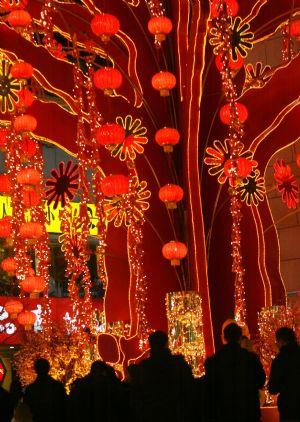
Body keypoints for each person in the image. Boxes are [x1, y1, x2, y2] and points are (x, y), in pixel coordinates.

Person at [205, 322, 266, 422]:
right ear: (240, 337)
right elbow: (261, 381)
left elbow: (210, 389)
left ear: (224, 338)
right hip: (248, 412)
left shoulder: (212, 362)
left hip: (223, 413)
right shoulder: (251, 358)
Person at [131, 330, 195, 422]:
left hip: (151, 414)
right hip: (175, 413)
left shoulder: (144, 366)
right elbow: (189, 388)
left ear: (150, 345)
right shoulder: (178, 363)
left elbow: (136, 394)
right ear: (166, 343)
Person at [269, 327, 300, 422]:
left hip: (288, 407)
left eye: (277, 341)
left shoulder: (279, 360)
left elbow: (273, 388)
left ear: (281, 341)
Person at [24, 358, 66, 422]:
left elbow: (28, 408)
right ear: (48, 368)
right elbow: (63, 406)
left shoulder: (31, 388)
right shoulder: (57, 386)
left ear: (35, 369)